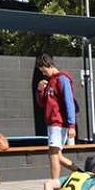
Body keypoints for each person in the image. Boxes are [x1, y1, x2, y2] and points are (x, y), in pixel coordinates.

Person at [35, 54, 77, 182]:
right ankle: (83, 174)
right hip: (52, 122)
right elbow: (43, 103)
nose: (43, 74)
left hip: (59, 122)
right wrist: (40, 90)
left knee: (53, 152)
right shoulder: (50, 82)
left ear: (47, 65)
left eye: (43, 70)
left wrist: (71, 125)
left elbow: (69, 101)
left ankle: (54, 183)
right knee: (57, 155)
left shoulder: (62, 79)